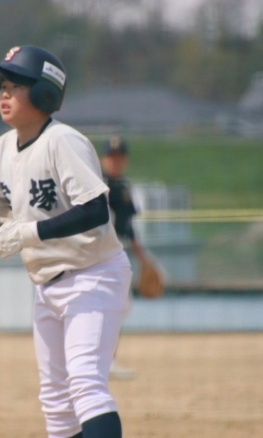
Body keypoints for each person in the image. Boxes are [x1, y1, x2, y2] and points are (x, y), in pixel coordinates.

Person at [0, 45, 131, 438]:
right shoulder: (3, 146)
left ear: (44, 92)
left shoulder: (63, 141)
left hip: (93, 275)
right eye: (2, 86)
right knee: (55, 400)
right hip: (45, 284)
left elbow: (95, 210)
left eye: (15, 85)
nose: (4, 93)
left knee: (85, 383)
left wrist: (29, 232)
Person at [100, 137, 143, 379]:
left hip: (116, 256)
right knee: (108, 308)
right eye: (111, 157)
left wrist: (143, 258)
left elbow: (128, 227)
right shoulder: (97, 186)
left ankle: (108, 360)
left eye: (119, 157)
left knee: (120, 307)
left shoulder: (123, 186)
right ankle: (102, 361)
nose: (115, 162)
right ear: (103, 159)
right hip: (98, 257)